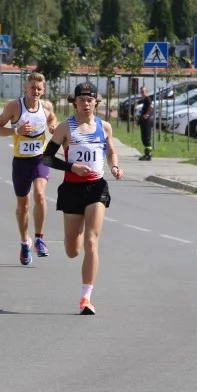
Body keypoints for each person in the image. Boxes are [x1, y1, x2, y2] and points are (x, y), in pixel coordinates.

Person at [41, 81, 123, 315]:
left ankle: (86, 298)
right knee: (72, 250)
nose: (86, 104)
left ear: (96, 102)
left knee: (91, 242)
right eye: (81, 100)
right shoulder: (66, 128)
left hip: (97, 188)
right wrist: (71, 166)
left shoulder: (104, 127)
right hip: (72, 189)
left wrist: (115, 167)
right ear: (74, 102)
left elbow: (111, 151)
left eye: (90, 100)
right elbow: (46, 158)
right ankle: (72, 238)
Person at [0, 72, 58, 265]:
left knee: (39, 194)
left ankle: (39, 239)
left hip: (40, 159)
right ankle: (24, 242)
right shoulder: (14, 106)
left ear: (43, 90)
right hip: (21, 161)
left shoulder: (46, 107)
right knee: (23, 205)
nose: (35, 91)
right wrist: (15, 131)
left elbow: (53, 119)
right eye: (32, 87)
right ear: (25, 88)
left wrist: (52, 127)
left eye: (39, 88)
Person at [137, 85, 153, 161]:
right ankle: (146, 154)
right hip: (144, 122)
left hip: (147, 122)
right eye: (141, 92)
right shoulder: (144, 100)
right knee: (144, 138)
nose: (142, 93)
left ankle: (148, 155)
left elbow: (151, 107)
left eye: (143, 91)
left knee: (146, 138)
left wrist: (147, 115)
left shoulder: (147, 99)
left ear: (146, 92)